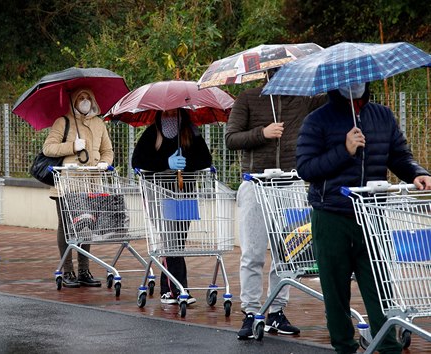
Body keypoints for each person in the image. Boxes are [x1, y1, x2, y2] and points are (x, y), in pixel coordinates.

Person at [296, 82, 431, 354]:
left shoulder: (382, 116)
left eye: (359, 80)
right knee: (336, 293)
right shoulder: (317, 120)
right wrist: (344, 150)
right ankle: (344, 347)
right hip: (331, 215)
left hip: (372, 215)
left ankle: (387, 346)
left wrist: (417, 172)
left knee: (379, 288)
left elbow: (399, 156)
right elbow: (306, 168)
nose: (354, 86)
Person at [226, 70, 326, 339]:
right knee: (253, 253)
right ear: (267, 73)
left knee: (288, 254)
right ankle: (250, 312)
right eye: (276, 71)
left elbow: (334, 101)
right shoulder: (247, 98)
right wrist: (263, 133)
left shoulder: (302, 99)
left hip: (291, 185)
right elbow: (231, 138)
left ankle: (276, 312)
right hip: (255, 183)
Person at [131, 108, 212, 305]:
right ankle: (178, 289)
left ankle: (171, 288)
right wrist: (165, 162)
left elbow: (205, 159)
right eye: (165, 113)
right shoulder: (152, 133)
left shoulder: (191, 133)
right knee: (170, 241)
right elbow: (138, 161)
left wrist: (186, 163)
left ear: (181, 114)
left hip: (186, 193)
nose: (170, 117)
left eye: (174, 113)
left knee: (178, 242)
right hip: (159, 194)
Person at [42, 88, 114, 288]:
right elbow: (48, 147)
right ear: (73, 101)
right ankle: (67, 270)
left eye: (88, 98)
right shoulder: (63, 122)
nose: (85, 101)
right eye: (80, 98)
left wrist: (105, 163)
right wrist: (72, 146)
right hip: (68, 183)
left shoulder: (99, 123)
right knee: (66, 226)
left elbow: (107, 150)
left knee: (86, 225)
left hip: (91, 183)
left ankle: (84, 270)